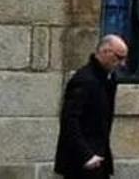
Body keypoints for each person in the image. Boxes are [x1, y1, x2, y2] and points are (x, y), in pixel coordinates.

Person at [54, 35, 128, 177]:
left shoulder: (109, 78)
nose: (122, 63)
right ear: (105, 52)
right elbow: (69, 120)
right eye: (119, 57)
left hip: (98, 157)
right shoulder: (84, 80)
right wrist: (86, 155)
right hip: (81, 161)